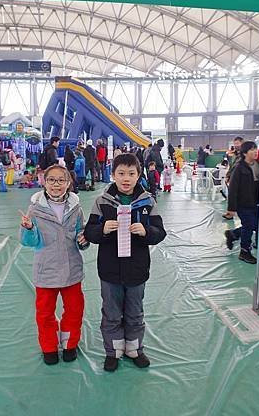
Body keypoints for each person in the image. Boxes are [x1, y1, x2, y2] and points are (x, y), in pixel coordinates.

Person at [84, 153, 166, 372]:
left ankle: (134, 349)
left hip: (137, 270)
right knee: (111, 312)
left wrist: (146, 231)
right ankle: (113, 352)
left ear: (139, 175)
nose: (126, 178)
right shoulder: (102, 201)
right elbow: (89, 233)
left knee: (135, 312)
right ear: (113, 175)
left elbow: (160, 232)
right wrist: (101, 229)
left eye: (131, 173)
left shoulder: (148, 201)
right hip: (109, 271)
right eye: (121, 173)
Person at [19, 164, 89, 365]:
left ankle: (69, 344)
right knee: (44, 313)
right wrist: (29, 228)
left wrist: (83, 240)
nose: (56, 184)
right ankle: (49, 347)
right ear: (44, 182)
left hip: (71, 269)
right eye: (51, 180)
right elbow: (29, 242)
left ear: (68, 183)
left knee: (74, 310)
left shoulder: (76, 208)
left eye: (61, 180)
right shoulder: (34, 209)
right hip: (46, 270)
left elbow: (79, 233)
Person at [223, 141, 259, 264]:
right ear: (244, 153)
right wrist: (231, 208)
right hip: (242, 203)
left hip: (255, 202)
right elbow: (233, 189)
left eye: (256, 149)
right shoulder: (239, 167)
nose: (255, 151)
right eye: (252, 150)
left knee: (253, 225)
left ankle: (233, 234)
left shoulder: (258, 165)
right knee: (249, 226)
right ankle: (244, 252)